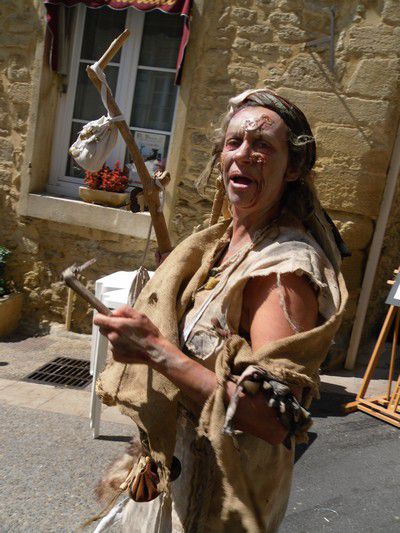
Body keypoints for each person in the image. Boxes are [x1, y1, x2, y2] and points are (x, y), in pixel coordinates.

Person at [94, 88, 348, 532]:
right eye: (234, 143)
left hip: (216, 501)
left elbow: (272, 420)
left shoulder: (281, 272)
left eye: (263, 145)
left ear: (294, 168)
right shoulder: (217, 246)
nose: (243, 155)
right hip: (175, 475)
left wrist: (154, 349)